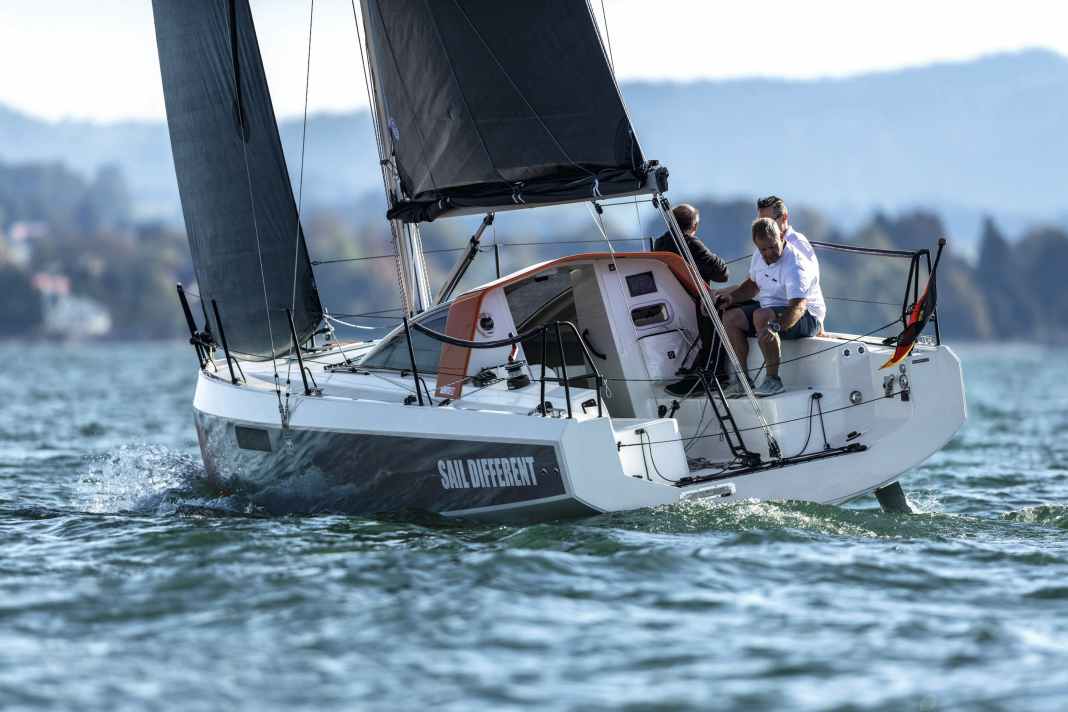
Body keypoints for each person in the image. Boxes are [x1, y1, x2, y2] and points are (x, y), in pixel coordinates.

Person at [717, 218, 826, 397]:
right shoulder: (758, 257)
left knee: (761, 316)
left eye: (773, 246)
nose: (769, 253)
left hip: (806, 317)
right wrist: (731, 298)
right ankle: (742, 381)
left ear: (781, 237)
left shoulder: (795, 265)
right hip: (771, 310)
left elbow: (799, 307)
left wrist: (776, 325)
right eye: (763, 249)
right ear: (756, 245)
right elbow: (752, 285)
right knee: (730, 317)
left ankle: (773, 381)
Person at [653, 204, 731, 397]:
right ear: (694, 226)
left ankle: (700, 371)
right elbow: (723, 274)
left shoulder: (660, 244)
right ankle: (715, 374)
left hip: (670, 302)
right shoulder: (691, 244)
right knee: (716, 307)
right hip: (695, 302)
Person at [757, 195, 816, 263]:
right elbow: (753, 273)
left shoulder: (798, 243)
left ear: (784, 217)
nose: (763, 228)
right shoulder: (762, 246)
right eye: (760, 223)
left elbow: (811, 272)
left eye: (770, 222)